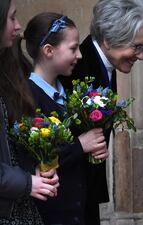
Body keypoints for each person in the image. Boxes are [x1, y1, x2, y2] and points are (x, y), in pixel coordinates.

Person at [59, 1, 143, 224]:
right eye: (137, 47)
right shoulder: (77, 69)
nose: (141, 56)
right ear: (109, 40)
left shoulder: (104, 64)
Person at [17, 12, 109, 225]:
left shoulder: (67, 93)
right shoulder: (29, 98)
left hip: (75, 210)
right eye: (73, 48)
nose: (79, 55)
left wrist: (93, 148)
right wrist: (80, 145)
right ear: (48, 51)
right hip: (50, 214)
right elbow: (32, 160)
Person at [0, 1, 59, 224]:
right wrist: (27, 182)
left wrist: (36, 168)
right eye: (12, 18)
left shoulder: (9, 69)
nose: (19, 26)